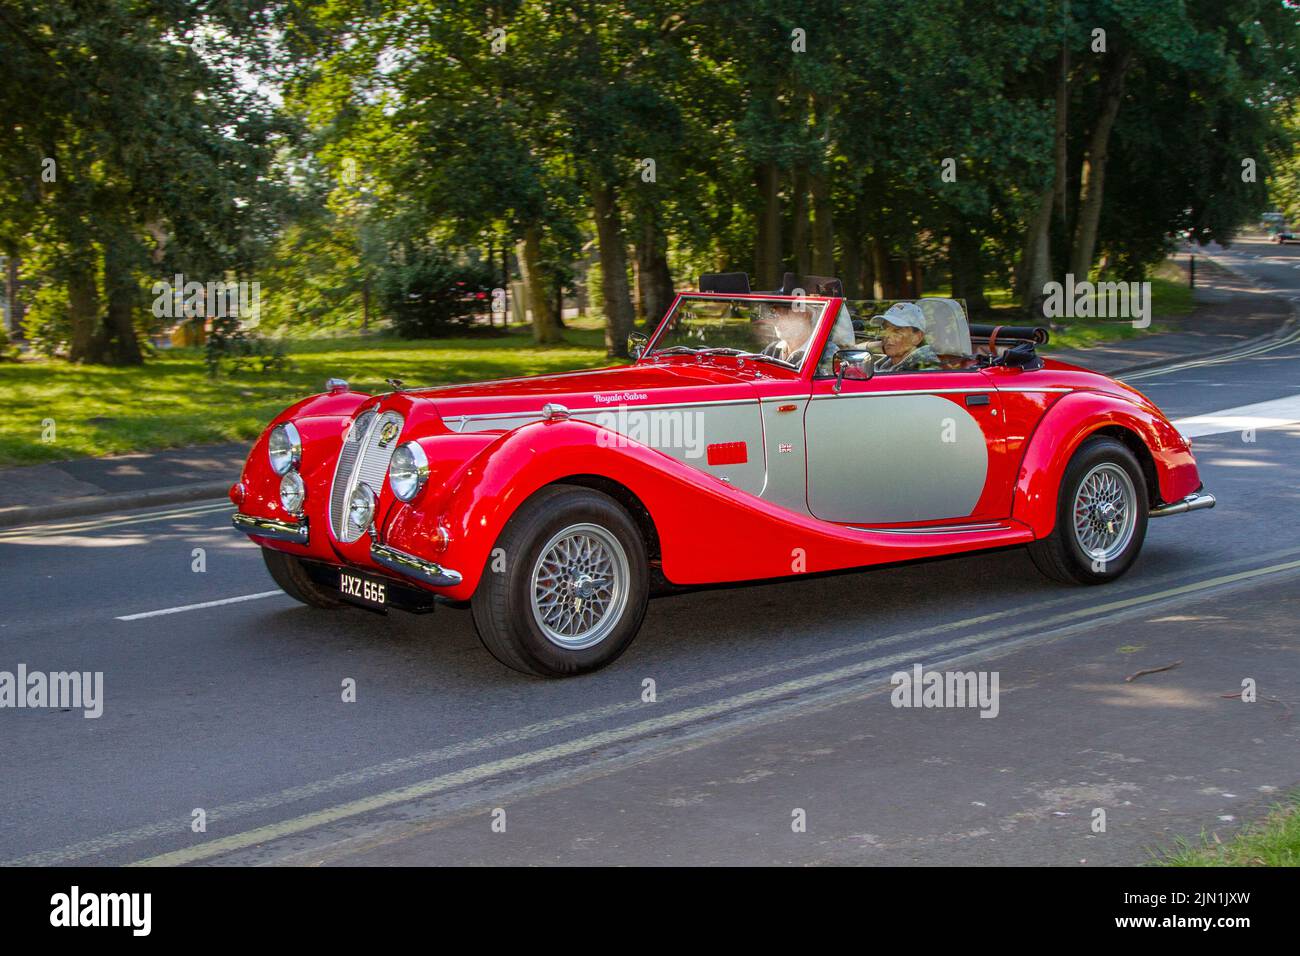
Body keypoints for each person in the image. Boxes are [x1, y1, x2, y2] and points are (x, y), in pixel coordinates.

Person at [873, 302, 940, 371]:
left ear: (917, 337)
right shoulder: (884, 365)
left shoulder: (925, 370)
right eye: (885, 329)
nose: (886, 335)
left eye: (897, 330)